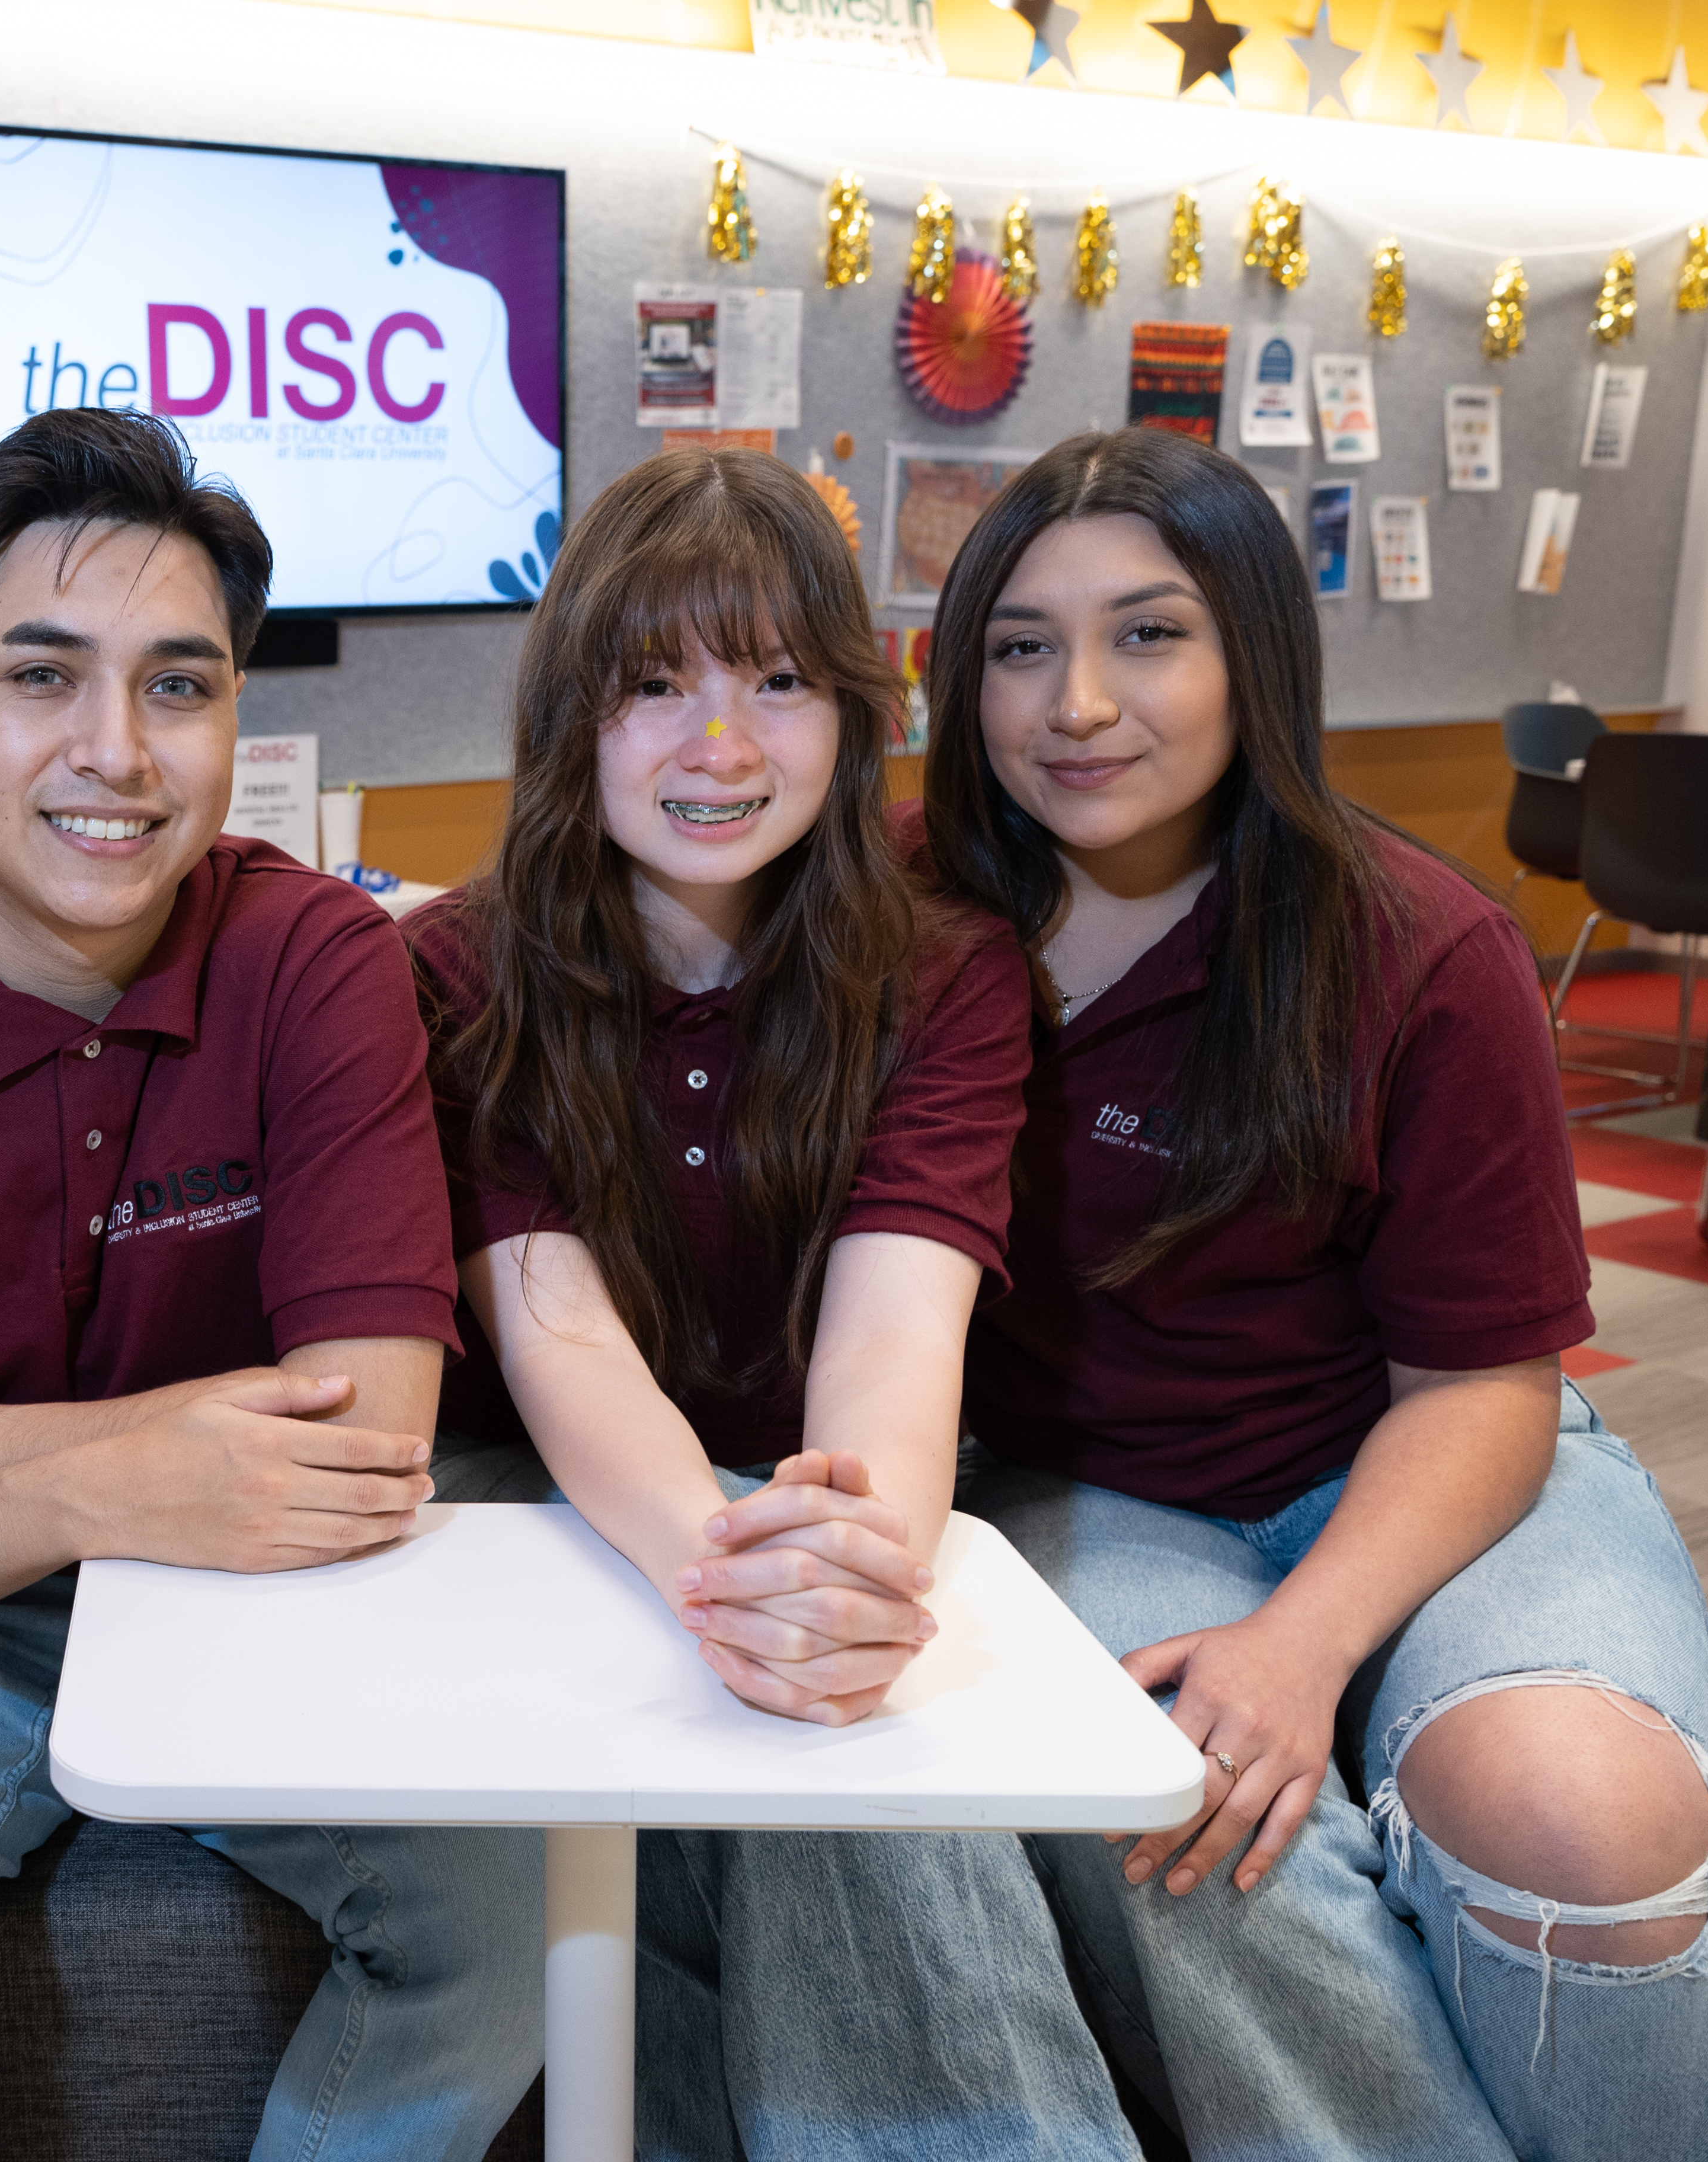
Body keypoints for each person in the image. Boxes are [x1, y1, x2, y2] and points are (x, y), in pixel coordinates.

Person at [0, 406, 545, 2162]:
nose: (116, 753)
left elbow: (369, 1435)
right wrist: (95, 1488)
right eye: (43, 677)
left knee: (512, 1915)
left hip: (269, 1590)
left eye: (179, 687)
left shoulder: (317, 961)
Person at [923, 427, 1708, 2161]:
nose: (1077, 704)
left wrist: (1307, 1641)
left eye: (1151, 634)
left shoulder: (1419, 944)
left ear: (1256, 659)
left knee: (1586, 1823)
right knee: (1185, 1816)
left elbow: (1486, 1382)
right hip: (1097, 1491)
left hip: (1436, 1455)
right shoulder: (898, 919)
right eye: (1020, 646)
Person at [409, 446, 1140, 2160]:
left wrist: (849, 1567)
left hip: (824, 1489)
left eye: (779, 684)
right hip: (545, 1501)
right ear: (570, 714)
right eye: (654, 685)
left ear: (853, 714)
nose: (721, 747)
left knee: (853, 1756)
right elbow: (560, 1343)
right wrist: (739, 1581)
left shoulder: (945, 968)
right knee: (750, 1760)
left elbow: (897, 1333)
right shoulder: (449, 972)